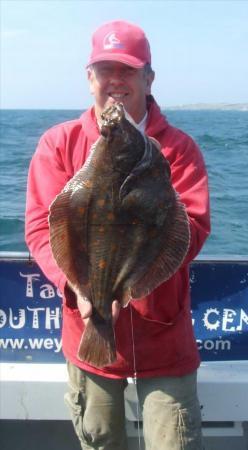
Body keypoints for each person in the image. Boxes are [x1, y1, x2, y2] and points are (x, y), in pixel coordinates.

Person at [25, 20, 210, 450]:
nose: (116, 82)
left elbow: (194, 227)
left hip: (164, 336)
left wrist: (142, 256)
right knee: (101, 441)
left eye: (128, 70)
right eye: (105, 70)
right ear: (89, 78)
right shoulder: (59, 144)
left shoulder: (178, 150)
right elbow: (40, 224)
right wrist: (77, 286)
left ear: (149, 78)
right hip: (88, 324)